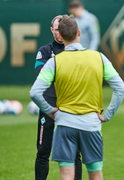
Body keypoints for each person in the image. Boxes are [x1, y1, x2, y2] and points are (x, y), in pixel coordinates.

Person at [30, 15, 124, 180]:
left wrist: (50, 110)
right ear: (79, 32)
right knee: (94, 171)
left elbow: (34, 91)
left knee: (68, 169)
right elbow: (121, 88)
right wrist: (108, 114)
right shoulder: (97, 57)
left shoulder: (56, 62)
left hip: (64, 118)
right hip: (90, 122)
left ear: (63, 33)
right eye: (55, 30)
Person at [33, 15, 82, 180]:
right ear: (51, 30)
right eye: (56, 30)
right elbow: (40, 75)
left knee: (74, 153)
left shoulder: (77, 51)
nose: (59, 34)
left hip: (71, 107)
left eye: (62, 30)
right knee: (43, 151)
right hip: (49, 107)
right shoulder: (44, 51)